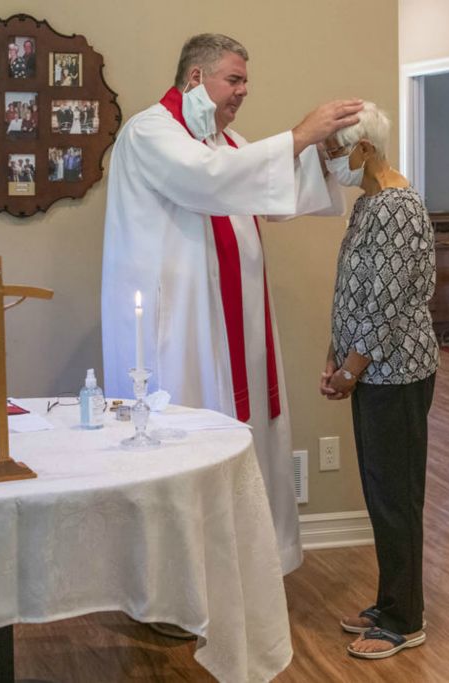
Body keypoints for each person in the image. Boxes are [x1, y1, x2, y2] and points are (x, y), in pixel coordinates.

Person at [101, 32, 362, 579]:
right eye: (234, 79)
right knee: (188, 435)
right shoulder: (150, 131)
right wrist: (296, 135)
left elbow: (273, 189)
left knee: (245, 436)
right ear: (196, 78)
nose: (244, 91)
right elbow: (207, 181)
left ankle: (244, 568)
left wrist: (321, 150)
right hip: (182, 328)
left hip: (236, 323)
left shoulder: (227, 142)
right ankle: (182, 579)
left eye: (246, 81)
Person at [319, 102, 439, 660]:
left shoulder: (394, 206)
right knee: (381, 490)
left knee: (395, 497)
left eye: (338, 151)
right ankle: (391, 599)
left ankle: (404, 620)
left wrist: (350, 369)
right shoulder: (370, 202)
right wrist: (335, 351)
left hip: (395, 373)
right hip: (374, 371)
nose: (333, 162)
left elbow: (386, 306)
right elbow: (356, 287)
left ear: (365, 149)